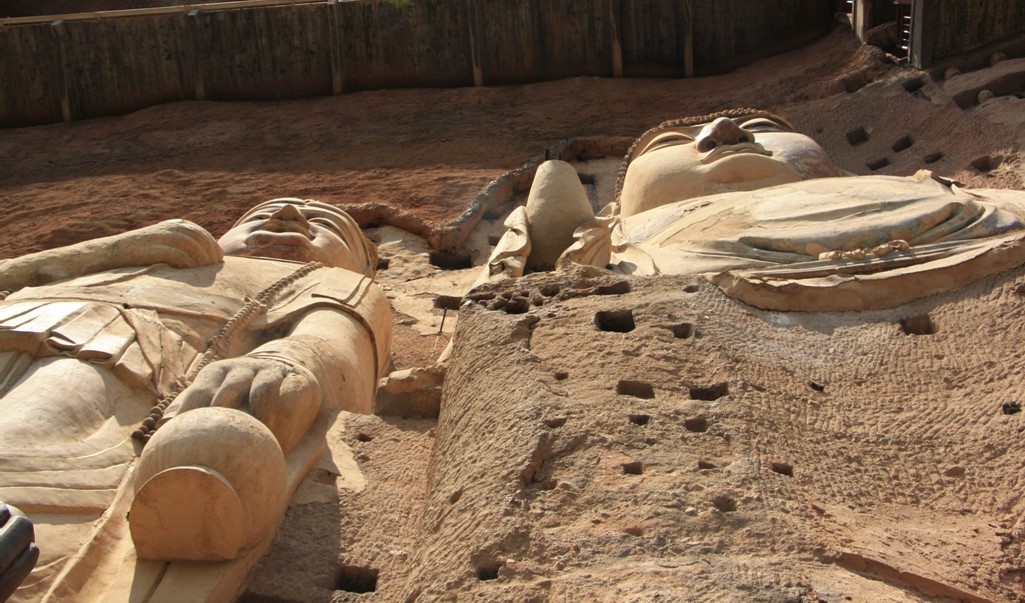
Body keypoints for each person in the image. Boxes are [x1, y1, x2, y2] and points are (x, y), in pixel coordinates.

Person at [0, 199, 391, 600]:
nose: (287, 218)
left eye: (325, 224)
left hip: (102, 366)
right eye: (257, 216)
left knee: (36, 431)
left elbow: (336, 340)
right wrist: (112, 250)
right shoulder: (142, 252)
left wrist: (283, 361)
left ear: (359, 266)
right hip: (24, 320)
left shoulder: (329, 280)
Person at [481, 109, 1025, 311]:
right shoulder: (619, 248)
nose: (725, 131)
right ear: (618, 207)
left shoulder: (955, 195)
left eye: (765, 130)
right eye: (673, 141)